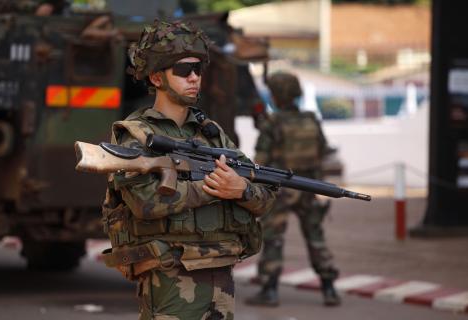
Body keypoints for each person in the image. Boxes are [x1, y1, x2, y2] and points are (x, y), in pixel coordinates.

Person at [101, 20, 276, 320]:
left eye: (198, 69)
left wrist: (241, 190)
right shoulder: (137, 135)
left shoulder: (212, 135)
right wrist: (212, 188)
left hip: (219, 274)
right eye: (183, 70)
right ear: (156, 77)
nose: (194, 77)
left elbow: (264, 196)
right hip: (169, 275)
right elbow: (145, 202)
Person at [245, 72, 341, 307]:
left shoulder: (272, 124)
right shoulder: (311, 119)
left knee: (274, 238)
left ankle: (270, 290)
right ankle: (329, 288)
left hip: (281, 189)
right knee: (315, 237)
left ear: (276, 96)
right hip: (308, 185)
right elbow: (323, 150)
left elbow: (261, 160)